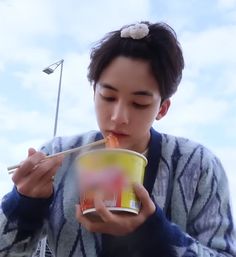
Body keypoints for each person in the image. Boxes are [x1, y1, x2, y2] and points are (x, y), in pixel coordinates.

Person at [0, 21, 235, 257]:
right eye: (108, 97)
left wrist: (154, 235)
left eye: (139, 103)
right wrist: (23, 205)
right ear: (94, 93)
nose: (118, 117)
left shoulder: (197, 166)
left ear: (162, 109)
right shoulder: (59, 156)